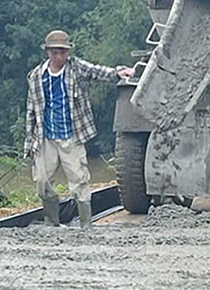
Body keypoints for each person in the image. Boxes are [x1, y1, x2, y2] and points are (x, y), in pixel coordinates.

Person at [23, 30, 134, 231]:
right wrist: (29, 143)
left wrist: (119, 72)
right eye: (56, 52)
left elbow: (96, 71)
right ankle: (51, 220)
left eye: (63, 52)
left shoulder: (75, 69)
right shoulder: (36, 77)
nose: (60, 56)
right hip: (45, 137)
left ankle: (86, 224)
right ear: (48, 52)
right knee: (42, 180)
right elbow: (31, 112)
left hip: (72, 136)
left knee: (79, 180)